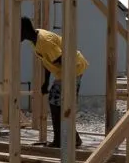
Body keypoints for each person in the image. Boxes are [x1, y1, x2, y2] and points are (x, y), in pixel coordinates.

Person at [20, 16, 87, 148]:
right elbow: (48, 61)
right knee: (57, 104)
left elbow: (62, 60)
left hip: (73, 69)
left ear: (24, 30)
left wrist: (67, 85)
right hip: (64, 72)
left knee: (60, 104)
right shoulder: (35, 39)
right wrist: (46, 81)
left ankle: (61, 140)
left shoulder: (44, 42)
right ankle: (72, 138)